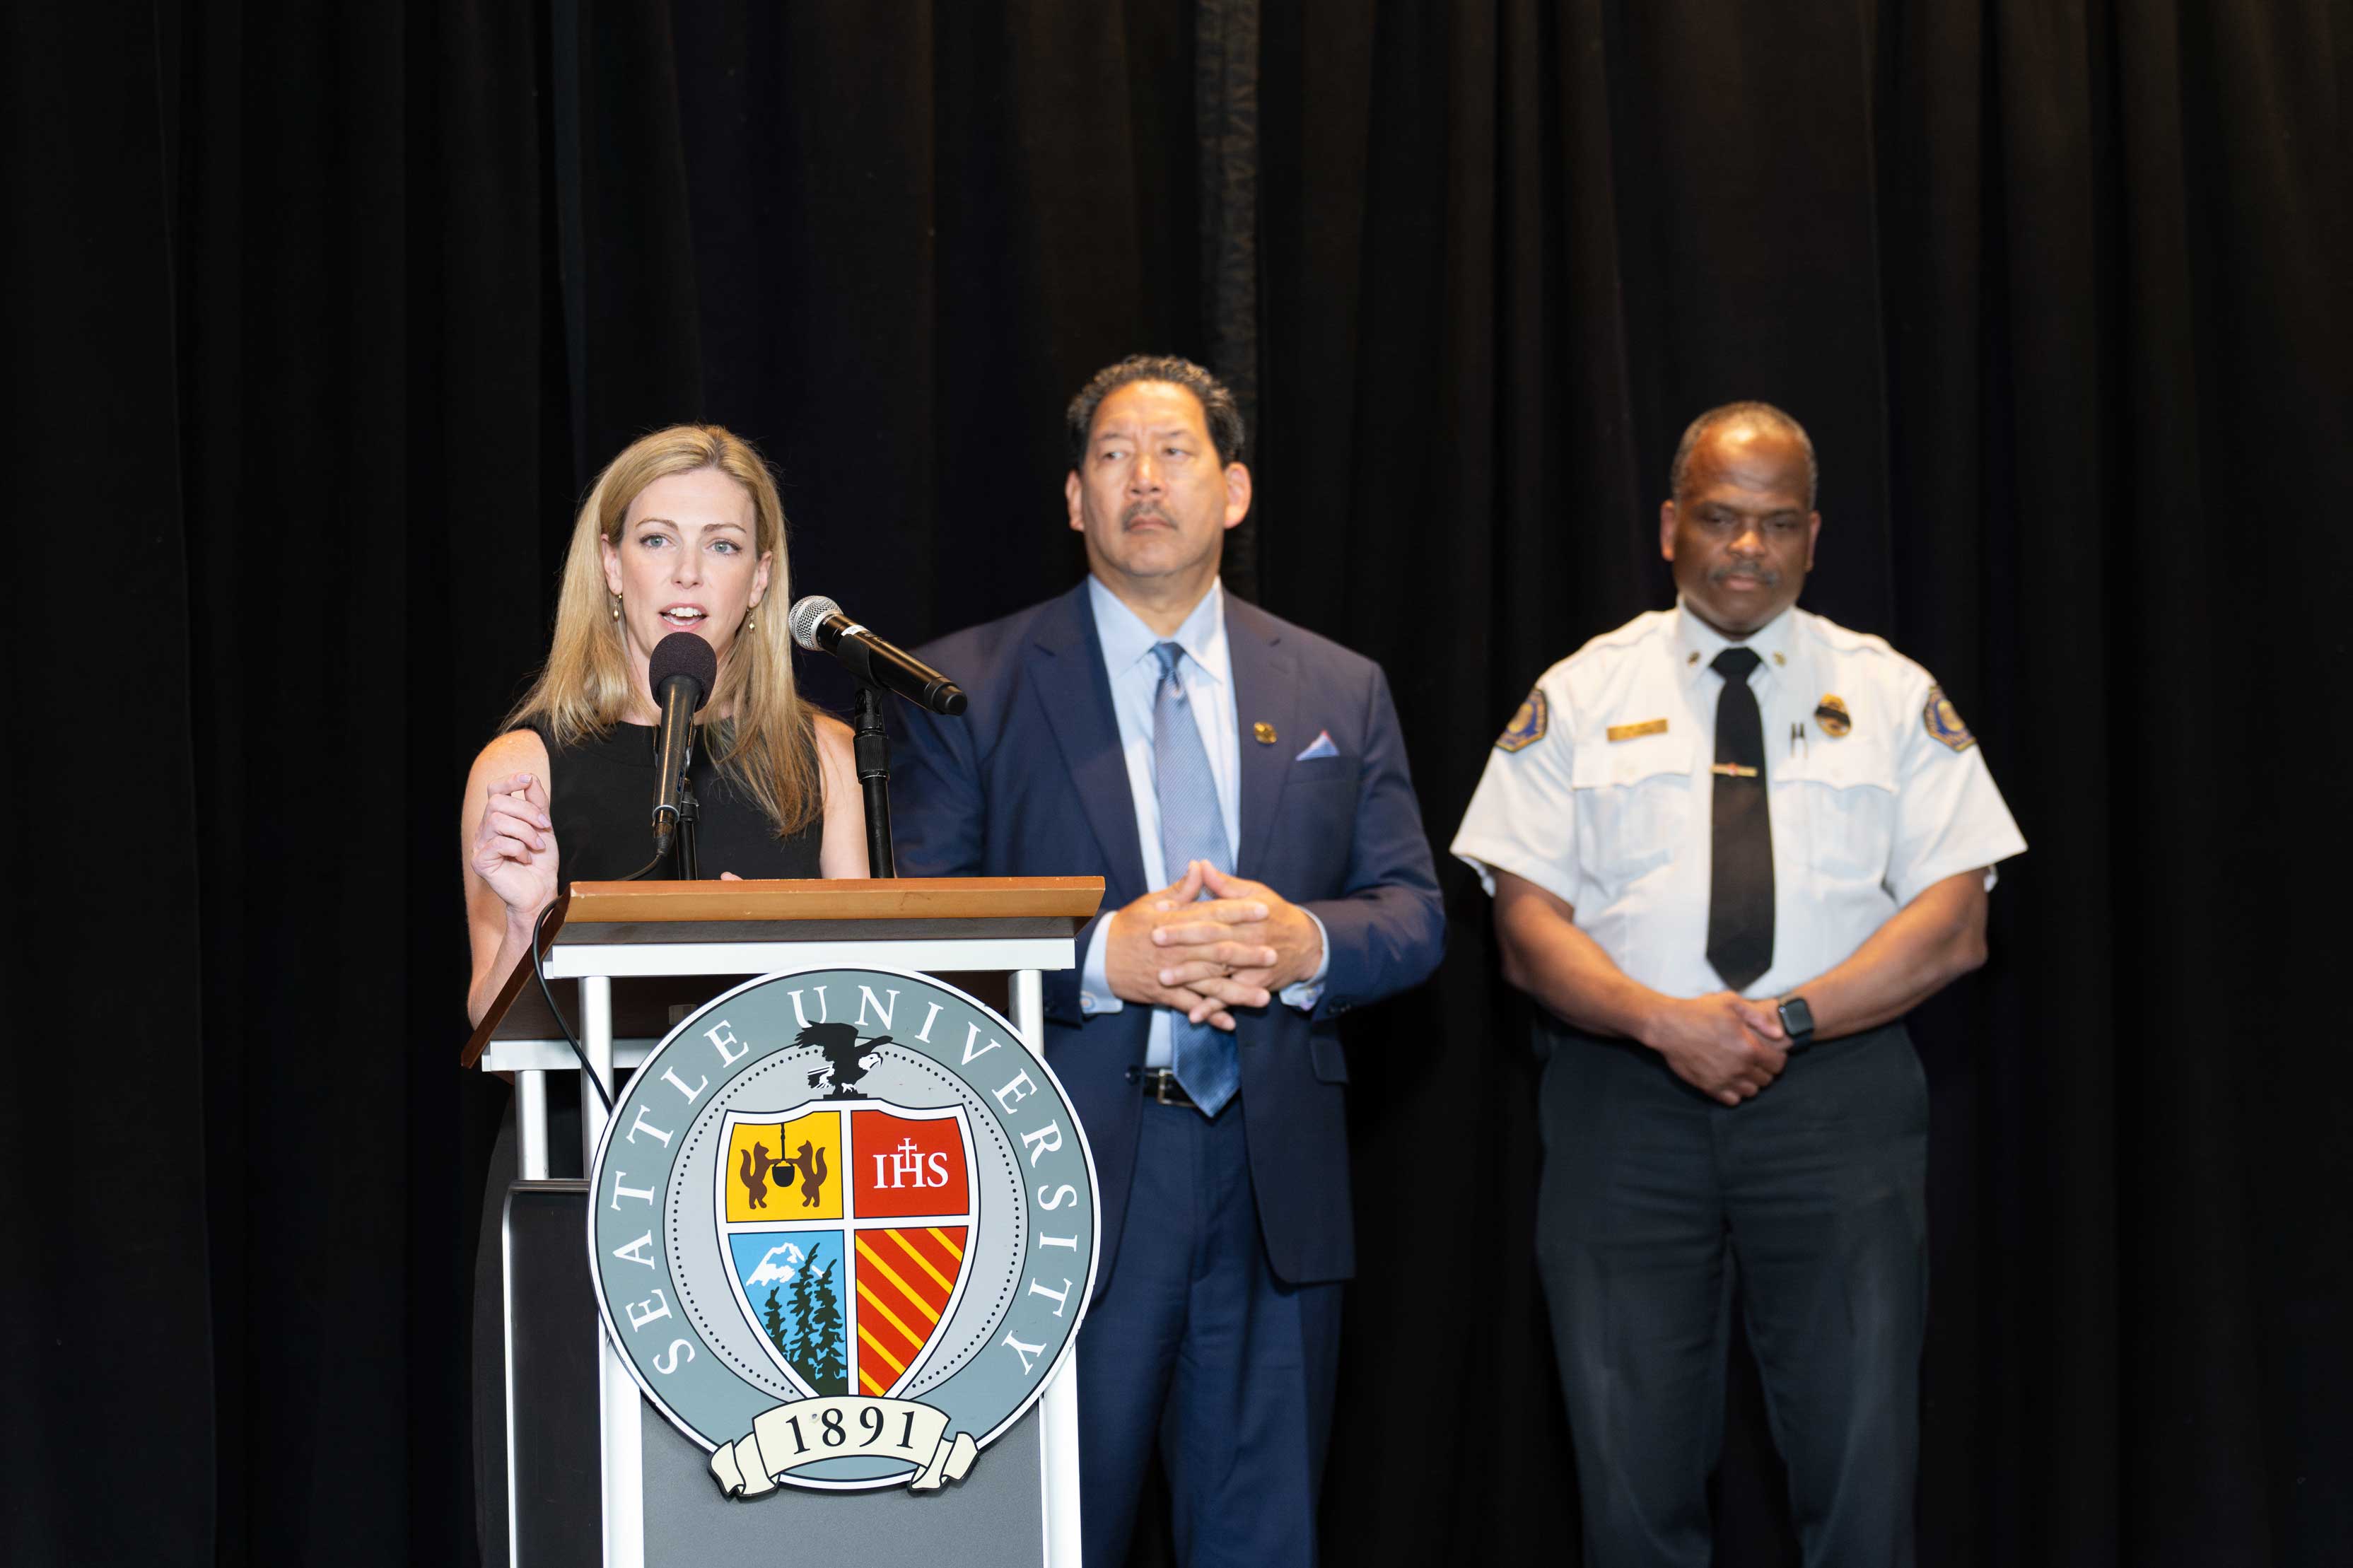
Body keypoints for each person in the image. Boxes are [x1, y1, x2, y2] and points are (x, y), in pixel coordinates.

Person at [892, 355, 1445, 1567]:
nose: (1146, 479)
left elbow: (1414, 913)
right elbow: (922, 947)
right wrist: (1104, 959)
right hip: (1057, 1187)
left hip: (1273, 1191)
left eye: (1177, 452)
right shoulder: (965, 688)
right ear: (1075, 500)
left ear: (1234, 491)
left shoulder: (1338, 688)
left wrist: (1305, 941)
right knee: (1046, 1537)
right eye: (1112, 456)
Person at [1450, 402, 2026, 1567]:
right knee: (1627, 1481)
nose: (1747, 548)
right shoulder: (1581, 692)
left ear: (1814, 536)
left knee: (1863, 1474)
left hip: (1838, 1102)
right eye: (1720, 518)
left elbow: (1955, 923)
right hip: (1623, 1107)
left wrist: (1784, 1022)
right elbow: (1524, 927)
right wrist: (1670, 1024)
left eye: (1775, 524)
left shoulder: (1891, 692)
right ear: (1671, 526)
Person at [458, 423, 866, 1567]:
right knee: (583, 1511)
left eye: (723, 544)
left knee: (774, 1520)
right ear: (610, 564)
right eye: (658, 539)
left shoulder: (825, 756)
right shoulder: (525, 764)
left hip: (784, 1199)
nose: (688, 573)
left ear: (762, 579)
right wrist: (537, 909)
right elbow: (490, 1023)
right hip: (587, 1189)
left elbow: (873, 1006)